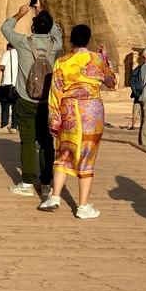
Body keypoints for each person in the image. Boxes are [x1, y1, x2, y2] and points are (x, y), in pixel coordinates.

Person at [39, 25, 117, 219]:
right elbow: (111, 82)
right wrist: (106, 57)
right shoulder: (98, 59)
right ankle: (83, 206)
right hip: (92, 112)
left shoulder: (62, 61)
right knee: (87, 157)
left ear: (71, 39)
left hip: (69, 112)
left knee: (64, 153)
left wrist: (54, 120)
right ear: (88, 39)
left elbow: (55, 92)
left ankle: (55, 196)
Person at [1, 3, 63, 197]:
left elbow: (5, 28)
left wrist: (19, 14)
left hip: (26, 99)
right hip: (48, 101)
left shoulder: (22, 42)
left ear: (32, 27)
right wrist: (41, 10)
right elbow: (58, 31)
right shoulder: (56, 44)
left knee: (27, 141)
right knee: (46, 142)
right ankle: (46, 184)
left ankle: (27, 182)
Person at [0, 42, 19, 134]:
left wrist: (0, 68)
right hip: (17, 84)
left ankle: (4, 125)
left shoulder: (8, 53)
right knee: (15, 106)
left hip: (7, 83)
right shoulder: (20, 54)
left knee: (5, 106)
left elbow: (2, 67)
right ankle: (14, 126)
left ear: (8, 47)